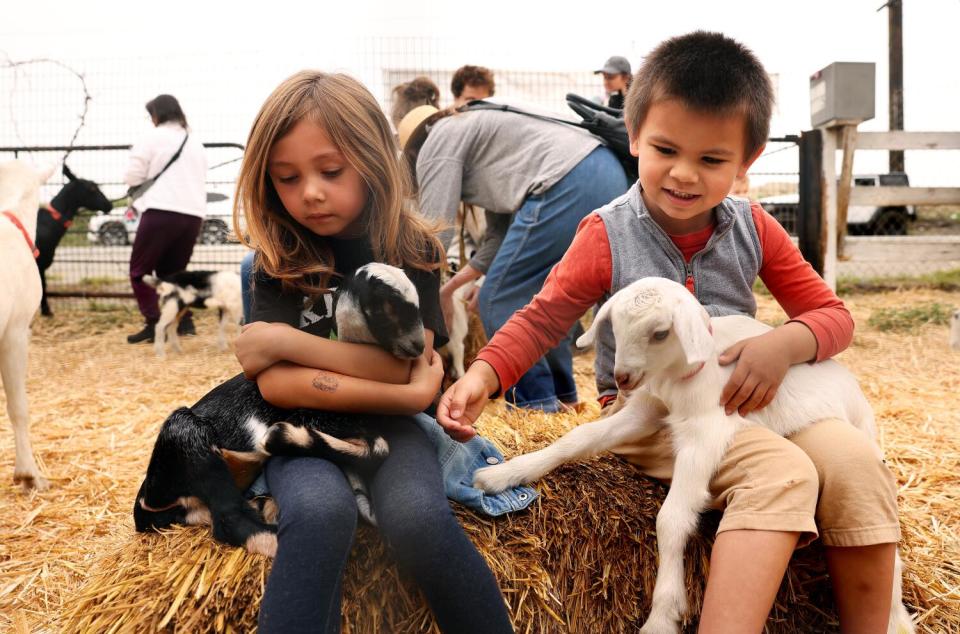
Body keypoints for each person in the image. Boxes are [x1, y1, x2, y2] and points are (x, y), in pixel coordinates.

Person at [439, 32, 901, 633]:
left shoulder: (753, 227)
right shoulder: (607, 233)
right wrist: (484, 371)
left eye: (712, 160)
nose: (684, 175)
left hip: (744, 405)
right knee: (783, 473)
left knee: (857, 461)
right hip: (655, 414)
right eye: (665, 149)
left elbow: (833, 317)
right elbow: (544, 316)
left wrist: (782, 345)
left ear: (747, 161)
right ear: (633, 139)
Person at [231, 70, 513, 634]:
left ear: (373, 160)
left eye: (331, 171)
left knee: (416, 519)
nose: (310, 191)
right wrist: (401, 388)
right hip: (298, 428)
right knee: (317, 513)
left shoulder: (413, 248)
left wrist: (288, 343)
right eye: (286, 178)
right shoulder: (277, 257)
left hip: (393, 429)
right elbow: (275, 389)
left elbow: (411, 367)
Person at [398, 99, 629, 413]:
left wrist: (420, 307)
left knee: (499, 300)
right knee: (546, 300)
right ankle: (564, 401)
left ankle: (535, 407)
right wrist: (448, 291)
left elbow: (436, 233)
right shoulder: (480, 133)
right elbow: (498, 237)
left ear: (412, 151)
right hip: (603, 174)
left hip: (568, 181)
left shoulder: (438, 139)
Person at [125, 94, 207, 343]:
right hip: (193, 214)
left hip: (160, 211)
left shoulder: (152, 137)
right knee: (173, 272)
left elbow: (132, 175)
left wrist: (138, 190)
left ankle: (153, 322)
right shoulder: (194, 141)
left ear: (157, 115)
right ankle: (184, 321)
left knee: (139, 270)